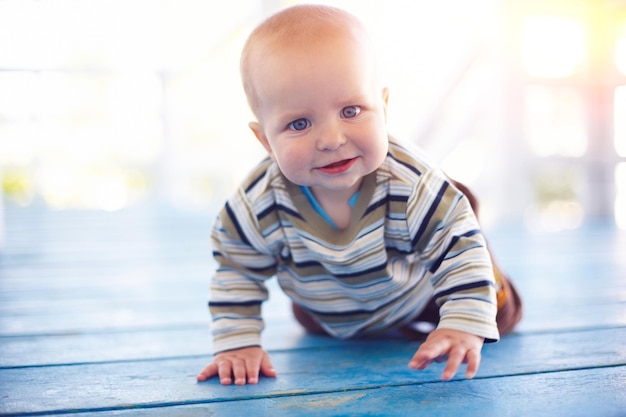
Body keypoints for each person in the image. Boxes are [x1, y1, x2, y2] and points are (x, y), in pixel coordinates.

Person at [197, 4, 522, 386]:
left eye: (351, 110)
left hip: (420, 288)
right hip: (326, 303)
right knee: (309, 319)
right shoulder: (257, 203)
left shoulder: (410, 183)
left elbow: (456, 250)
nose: (332, 139)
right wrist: (237, 344)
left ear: (382, 108)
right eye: (299, 123)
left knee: (493, 312)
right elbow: (237, 266)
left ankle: (465, 219)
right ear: (266, 140)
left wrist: (462, 322)